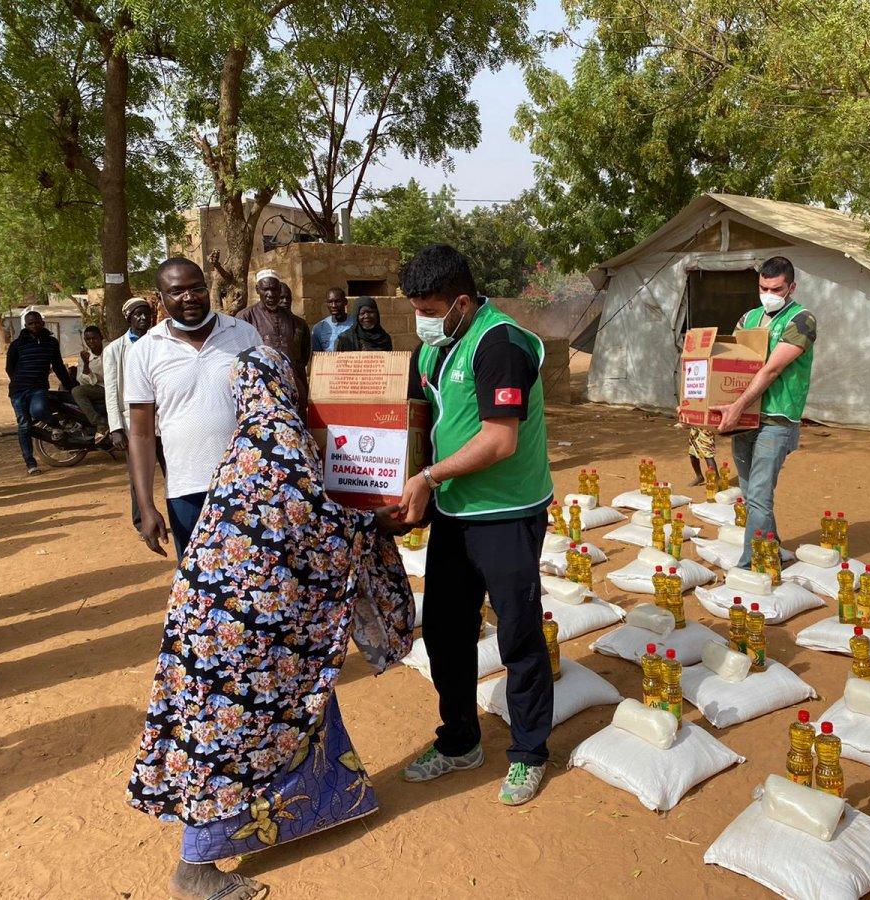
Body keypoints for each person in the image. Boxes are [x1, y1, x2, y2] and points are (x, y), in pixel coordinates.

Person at [126, 346, 415, 900]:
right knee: (232, 737)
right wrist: (372, 522)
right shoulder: (281, 438)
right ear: (285, 383)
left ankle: (325, 802)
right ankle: (195, 869)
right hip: (244, 634)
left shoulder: (244, 440)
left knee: (285, 710)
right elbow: (315, 523)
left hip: (212, 620)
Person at [398, 244, 555, 806]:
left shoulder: (500, 343)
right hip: (454, 511)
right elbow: (417, 421)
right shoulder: (434, 346)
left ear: (461, 303)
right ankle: (461, 740)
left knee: (517, 634)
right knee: (445, 631)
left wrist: (427, 478)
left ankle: (530, 751)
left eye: (429, 309)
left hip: (507, 512)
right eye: (416, 308)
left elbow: (499, 439)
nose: (421, 319)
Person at [123, 257, 261, 558]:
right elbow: (142, 435)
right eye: (177, 291)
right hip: (186, 491)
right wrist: (145, 506)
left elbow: (264, 414)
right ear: (160, 297)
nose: (189, 297)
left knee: (254, 576)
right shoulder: (145, 351)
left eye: (197, 288)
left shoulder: (244, 335)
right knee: (198, 580)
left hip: (246, 483)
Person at [711, 256, 816, 567]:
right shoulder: (749, 318)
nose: (768, 294)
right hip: (745, 419)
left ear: (791, 287)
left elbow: (772, 369)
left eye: (776, 289)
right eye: (763, 287)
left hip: (777, 417)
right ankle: (772, 550)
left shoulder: (802, 320)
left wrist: (736, 405)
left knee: (758, 495)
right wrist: (700, 405)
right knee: (749, 492)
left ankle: (751, 564)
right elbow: (730, 365)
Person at [104, 297, 162, 530]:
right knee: (138, 475)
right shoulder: (114, 350)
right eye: (138, 314)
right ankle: (141, 521)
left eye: (147, 313)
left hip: (163, 420)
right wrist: (116, 428)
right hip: (133, 424)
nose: (143, 318)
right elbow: (111, 390)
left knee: (174, 471)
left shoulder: (160, 343)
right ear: (128, 318)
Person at [6, 309, 74, 476]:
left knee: (38, 410)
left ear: (43, 323)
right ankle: (30, 463)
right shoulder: (17, 344)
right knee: (24, 425)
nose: (34, 326)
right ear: (26, 325)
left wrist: (70, 386)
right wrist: (20, 381)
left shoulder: (51, 343)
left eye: (37, 322)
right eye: (31, 323)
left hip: (38, 388)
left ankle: (56, 426)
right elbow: (9, 367)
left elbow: (58, 366)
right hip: (18, 390)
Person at [239, 270, 312, 374]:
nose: (270, 294)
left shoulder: (293, 320)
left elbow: (303, 356)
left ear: (279, 289)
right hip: (261, 377)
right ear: (257, 289)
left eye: (274, 289)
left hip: (291, 377)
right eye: (265, 289)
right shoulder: (245, 317)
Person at [72, 325, 108, 432]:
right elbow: (82, 380)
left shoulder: (110, 349)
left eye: (94, 338)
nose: (91, 342)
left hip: (116, 385)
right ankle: (99, 422)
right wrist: (86, 364)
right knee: (77, 391)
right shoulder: (84, 357)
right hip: (100, 387)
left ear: (101, 338)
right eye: (88, 339)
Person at [310, 287, 354, 352]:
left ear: (345, 302)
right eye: (330, 302)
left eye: (337, 301)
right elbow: (316, 355)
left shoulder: (355, 324)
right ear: (326, 303)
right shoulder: (318, 328)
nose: (333, 305)